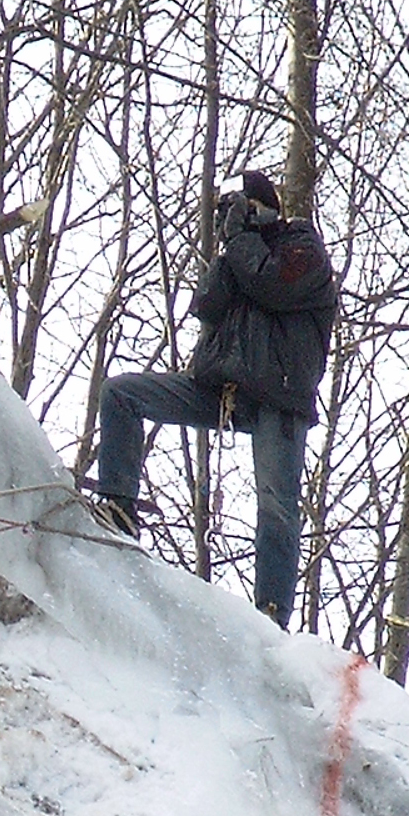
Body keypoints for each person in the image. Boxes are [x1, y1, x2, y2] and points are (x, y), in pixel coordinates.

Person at [94, 170, 337, 628]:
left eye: (240, 208)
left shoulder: (302, 250)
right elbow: (206, 303)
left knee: (276, 506)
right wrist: (231, 246)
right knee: (122, 394)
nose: (231, 219)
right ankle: (118, 509)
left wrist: (245, 237)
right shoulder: (240, 256)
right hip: (221, 391)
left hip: (278, 399)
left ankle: (271, 614)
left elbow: (274, 283)